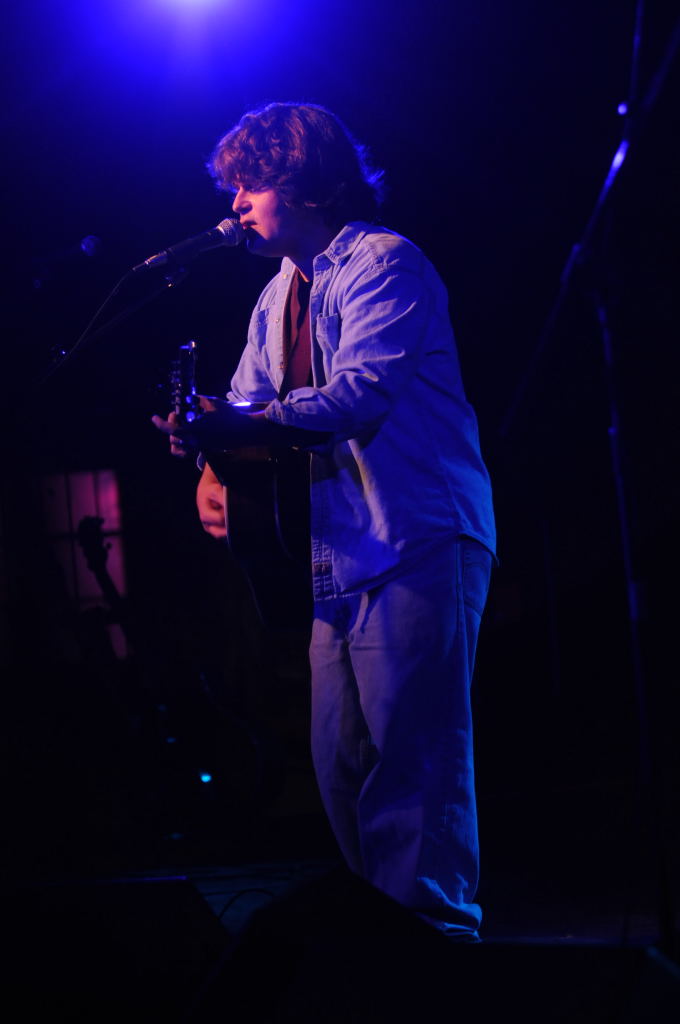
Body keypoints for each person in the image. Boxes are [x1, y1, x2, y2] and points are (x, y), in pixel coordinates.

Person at [153, 102, 496, 940]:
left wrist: (235, 426)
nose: (236, 203)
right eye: (233, 188)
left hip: (414, 537)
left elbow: (356, 395)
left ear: (305, 182)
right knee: (340, 767)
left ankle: (436, 958)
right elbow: (247, 405)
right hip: (337, 555)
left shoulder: (385, 263)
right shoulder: (275, 296)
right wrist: (208, 461)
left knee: (412, 767)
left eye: (251, 184)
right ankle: (380, 952)